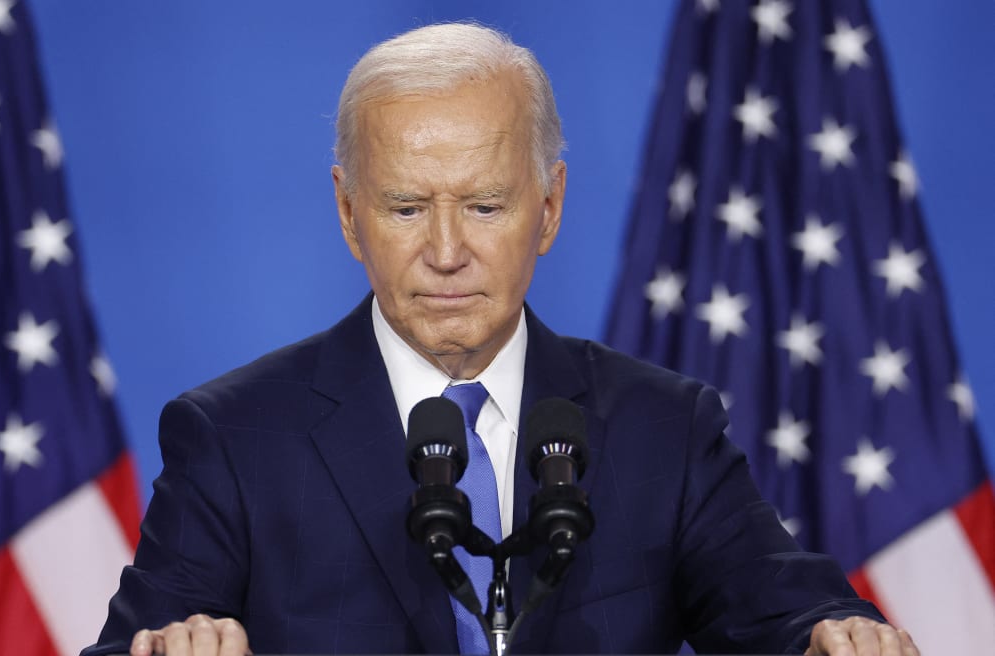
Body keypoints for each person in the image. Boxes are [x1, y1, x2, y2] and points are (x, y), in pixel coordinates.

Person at [83, 22, 920, 656]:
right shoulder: (236, 437)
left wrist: (835, 637)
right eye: (407, 208)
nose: (446, 253)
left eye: (485, 206)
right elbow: (140, 641)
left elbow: (786, 611)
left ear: (548, 207)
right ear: (348, 213)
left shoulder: (662, 428)